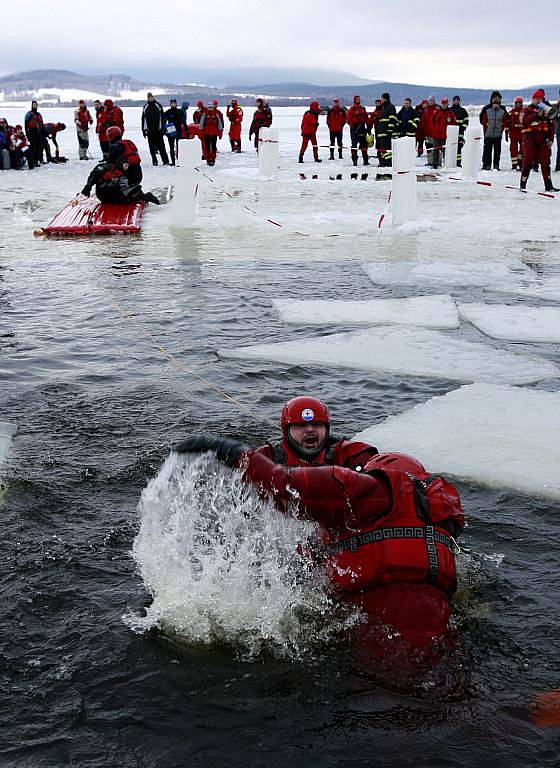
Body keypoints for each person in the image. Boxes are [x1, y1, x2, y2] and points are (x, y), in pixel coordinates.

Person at [174, 434, 465, 658]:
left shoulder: (371, 489)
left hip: (378, 633)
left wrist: (231, 452)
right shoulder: (441, 511)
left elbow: (282, 484)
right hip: (437, 629)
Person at [253, 396, 379, 469]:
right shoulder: (268, 457)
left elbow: (369, 459)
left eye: (317, 425)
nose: (310, 430)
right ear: (286, 431)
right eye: (300, 425)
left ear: (327, 429)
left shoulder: (342, 451)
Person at [520, 89, 559, 192]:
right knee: (528, 162)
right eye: (537, 99)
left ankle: (549, 185)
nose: (539, 101)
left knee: (545, 163)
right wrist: (536, 115)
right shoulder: (527, 110)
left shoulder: (547, 111)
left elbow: (552, 126)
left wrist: (551, 140)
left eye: (540, 99)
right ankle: (523, 185)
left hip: (543, 140)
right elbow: (523, 121)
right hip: (530, 139)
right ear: (533, 99)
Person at [78, 160, 160, 205]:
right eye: (125, 165)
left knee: (134, 190)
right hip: (105, 196)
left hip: (111, 197)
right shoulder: (107, 168)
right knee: (134, 191)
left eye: (127, 165)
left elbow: (125, 188)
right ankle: (148, 197)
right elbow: (94, 174)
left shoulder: (123, 176)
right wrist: (87, 187)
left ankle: (147, 198)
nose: (126, 167)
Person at [479, 91, 508, 170]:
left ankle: (496, 165)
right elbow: (481, 119)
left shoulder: (502, 109)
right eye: (495, 98)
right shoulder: (486, 108)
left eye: (498, 99)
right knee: (487, 150)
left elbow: (506, 120)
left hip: (498, 133)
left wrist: (501, 127)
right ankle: (486, 165)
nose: (497, 100)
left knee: (497, 150)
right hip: (488, 133)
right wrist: (487, 126)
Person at [141, 92, 169, 166]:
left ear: (153, 97)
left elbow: (163, 117)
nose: (151, 98)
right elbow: (143, 119)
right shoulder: (145, 107)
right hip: (150, 131)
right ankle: (154, 161)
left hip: (158, 130)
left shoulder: (158, 105)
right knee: (151, 148)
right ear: (147, 98)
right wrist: (143, 130)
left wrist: (163, 128)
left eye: (152, 97)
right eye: (149, 97)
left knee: (161, 147)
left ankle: (165, 161)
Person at [431, 98, 456, 169]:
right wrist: (434, 131)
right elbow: (432, 122)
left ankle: (446, 165)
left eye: (445, 103)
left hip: (446, 136)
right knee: (435, 151)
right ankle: (435, 165)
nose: (444, 105)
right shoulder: (437, 112)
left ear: (447, 104)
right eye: (443, 103)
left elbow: (453, 124)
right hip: (436, 136)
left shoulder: (451, 113)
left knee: (446, 152)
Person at [346, 95, 370, 167]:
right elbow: (348, 119)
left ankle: (365, 160)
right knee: (354, 145)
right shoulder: (351, 109)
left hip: (362, 128)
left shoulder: (362, 108)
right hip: (354, 128)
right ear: (354, 100)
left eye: (359, 99)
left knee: (364, 145)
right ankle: (354, 161)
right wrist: (352, 127)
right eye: (357, 99)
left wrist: (368, 128)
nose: (358, 100)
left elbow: (366, 118)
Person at [376, 92, 398, 166]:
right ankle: (383, 162)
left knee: (387, 149)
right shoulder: (384, 107)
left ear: (384, 99)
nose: (380, 100)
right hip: (382, 133)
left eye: (381, 98)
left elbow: (392, 119)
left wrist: (389, 130)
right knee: (383, 149)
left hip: (387, 133)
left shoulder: (390, 107)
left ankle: (388, 163)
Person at [164, 98, 187, 166]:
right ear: (170, 104)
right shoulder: (168, 112)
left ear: (176, 104)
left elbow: (184, 121)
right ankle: (173, 162)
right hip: (171, 132)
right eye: (172, 103)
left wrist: (186, 130)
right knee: (171, 148)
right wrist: (165, 131)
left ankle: (180, 161)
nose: (173, 104)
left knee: (179, 147)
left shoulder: (180, 111)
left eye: (174, 103)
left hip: (178, 131)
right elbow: (163, 122)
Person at [24, 100, 44, 167]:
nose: (35, 106)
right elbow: (26, 124)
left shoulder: (39, 114)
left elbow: (42, 124)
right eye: (34, 104)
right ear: (32, 105)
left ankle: (36, 161)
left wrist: (43, 133)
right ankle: (32, 161)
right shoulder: (29, 114)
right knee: (33, 147)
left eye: (36, 105)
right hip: (32, 132)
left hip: (38, 132)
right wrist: (27, 133)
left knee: (39, 147)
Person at [451, 95, 469, 166]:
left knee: (458, 148)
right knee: (451, 147)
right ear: (453, 101)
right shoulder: (450, 110)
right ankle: (451, 161)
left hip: (460, 132)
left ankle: (458, 163)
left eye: (457, 100)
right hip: (451, 133)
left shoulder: (463, 111)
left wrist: (462, 129)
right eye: (455, 100)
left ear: (459, 101)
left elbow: (466, 121)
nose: (456, 101)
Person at [420, 96, 438, 164]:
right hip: (427, 133)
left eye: (432, 101)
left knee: (436, 148)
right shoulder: (426, 110)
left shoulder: (437, 110)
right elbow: (423, 121)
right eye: (430, 101)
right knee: (428, 148)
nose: (431, 102)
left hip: (435, 133)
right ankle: (430, 161)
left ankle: (437, 161)